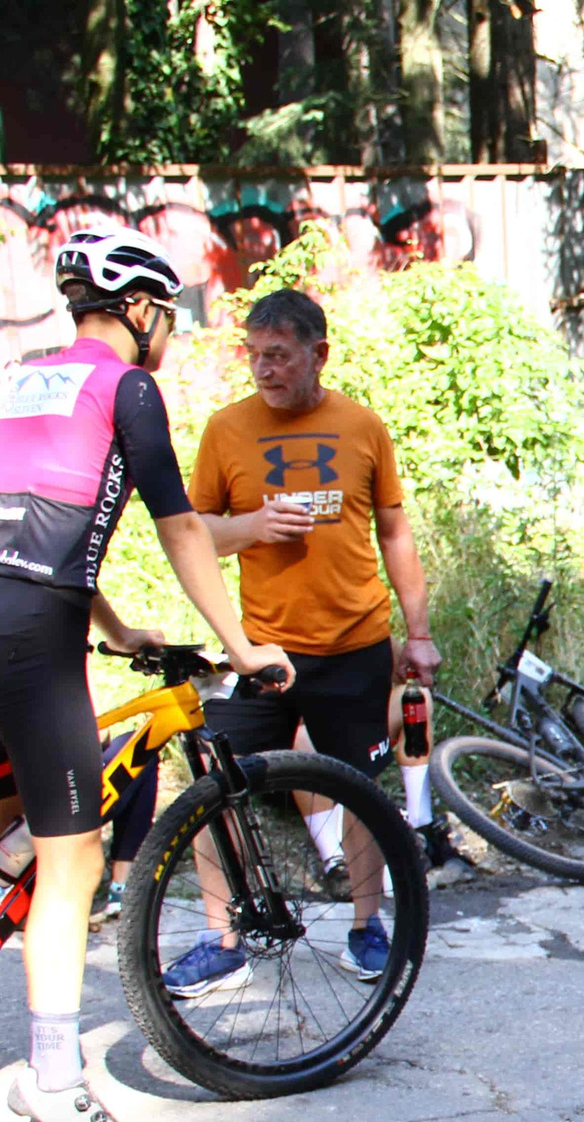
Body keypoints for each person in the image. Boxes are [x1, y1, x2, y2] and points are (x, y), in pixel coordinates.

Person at [0, 231, 291, 1122]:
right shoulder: (129, 388)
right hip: (27, 644)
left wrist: (120, 630)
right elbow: (182, 530)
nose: (167, 331)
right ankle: (53, 1081)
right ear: (139, 309)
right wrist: (242, 645)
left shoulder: (28, 379)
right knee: (72, 861)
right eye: (165, 313)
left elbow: (32, 525)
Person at [168, 288, 436, 996]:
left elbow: (395, 532)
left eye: (279, 355)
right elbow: (194, 535)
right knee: (211, 787)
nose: (263, 369)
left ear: (319, 353)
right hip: (263, 650)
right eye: (254, 355)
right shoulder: (226, 431)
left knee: (360, 789)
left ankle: (366, 927)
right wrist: (251, 526)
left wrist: (419, 633)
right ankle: (219, 938)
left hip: (356, 642)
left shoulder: (362, 426)